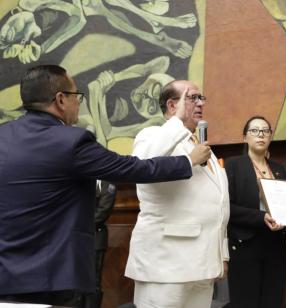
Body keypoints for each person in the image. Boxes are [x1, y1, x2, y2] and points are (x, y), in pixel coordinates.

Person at [0, 65, 211, 307]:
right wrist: (188, 161)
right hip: (53, 276)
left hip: (6, 273)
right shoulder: (71, 141)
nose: (79, 104)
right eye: (77, 96)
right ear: (60, 100)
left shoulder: (3, 137)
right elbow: (135, 168)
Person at [124, 80, 230, 308]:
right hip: (167, 265)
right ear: (172, 106)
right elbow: (143, 164)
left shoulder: (204, 148)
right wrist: (177, 122)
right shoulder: (152, 134)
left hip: (203, 263)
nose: (200, 103)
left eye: (202, 98)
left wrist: (222, 254)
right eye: (192, 98)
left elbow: (218, 205)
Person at [224, 116, 286, 308]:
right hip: (245, 245)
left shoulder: (278, 169)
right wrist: (261, 218)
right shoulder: (233, 165)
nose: (260, 135)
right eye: (255, 131)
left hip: (275, 245)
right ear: (245, 137)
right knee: (245, 302)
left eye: (265, 131)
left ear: (270, 137)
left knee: (272, 300)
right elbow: (227, 207)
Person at [84, 180, 117, 308]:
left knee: (93, 281)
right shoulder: (82, 178)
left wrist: (79, 224)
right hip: (77, 240)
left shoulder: (108, 183)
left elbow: (104, 210)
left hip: (95, 238)